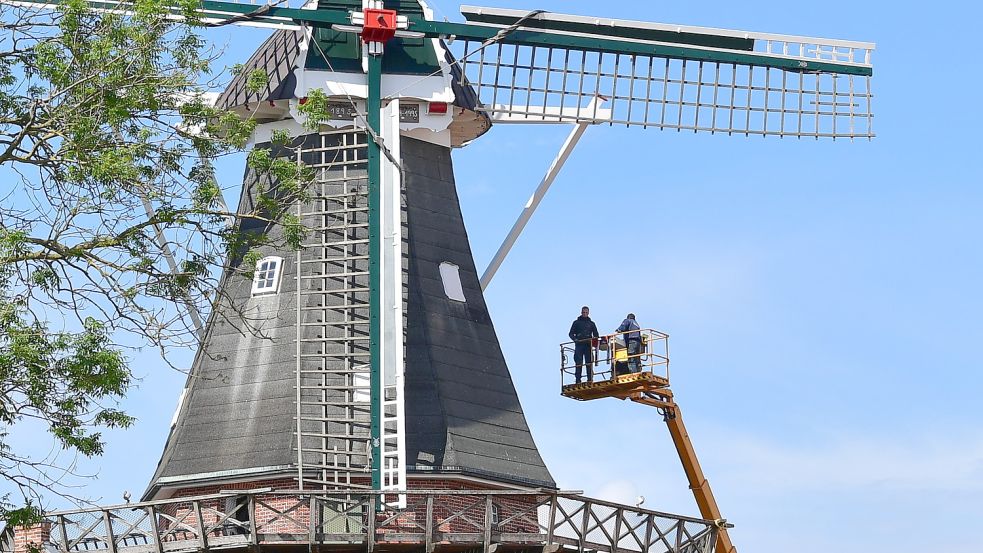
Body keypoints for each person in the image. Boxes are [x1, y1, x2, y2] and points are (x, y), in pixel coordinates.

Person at [568, 306, 599, 383]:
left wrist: (594, 341)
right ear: (581, 312)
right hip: (579, 345)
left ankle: (590, 379)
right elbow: (571, 333)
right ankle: (578, 380)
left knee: (589, 362)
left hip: (588, 345)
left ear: (588, 313)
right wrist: (575, 340)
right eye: (583, 312)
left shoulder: (591, 324)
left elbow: (596, 334)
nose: (585, 314)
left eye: (586, 312)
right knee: (579, 363)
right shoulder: (576, 322)